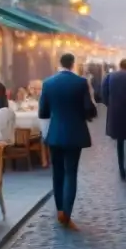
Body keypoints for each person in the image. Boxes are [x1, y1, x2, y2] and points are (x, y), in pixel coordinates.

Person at [39, 52, 97, 229]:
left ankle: (59, 211)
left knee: (57, 172)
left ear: (60, 63)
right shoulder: (80, 83)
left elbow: (43, 112)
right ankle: (67, 213)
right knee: (71, 172)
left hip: (55, 134)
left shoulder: (48, 83)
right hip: (75, 133)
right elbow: (89, 108)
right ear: (73, 64)